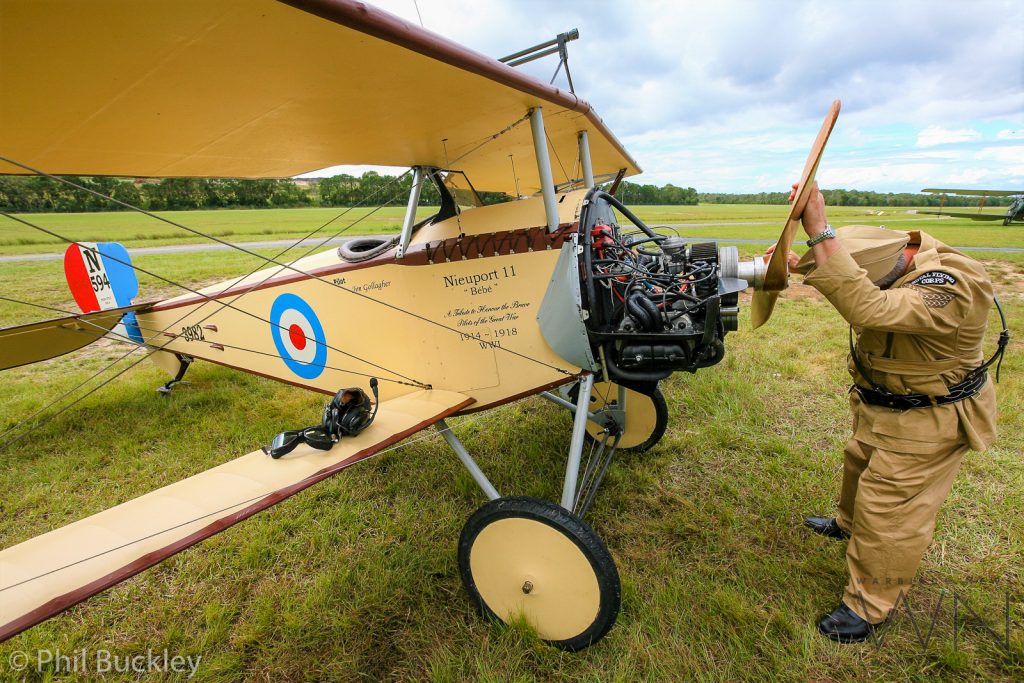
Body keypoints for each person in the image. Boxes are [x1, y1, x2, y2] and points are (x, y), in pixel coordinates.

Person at [773, 182, 1004, 643]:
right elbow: (860, 284)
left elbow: (869, 306)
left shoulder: (953, 284)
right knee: (859, 463)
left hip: (929, 417)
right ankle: (846, 524)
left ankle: (869, 605)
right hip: (883, 401)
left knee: (891, 511)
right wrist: (801, 263)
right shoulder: (896, 262)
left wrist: (817, 229)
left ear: (892, 271)